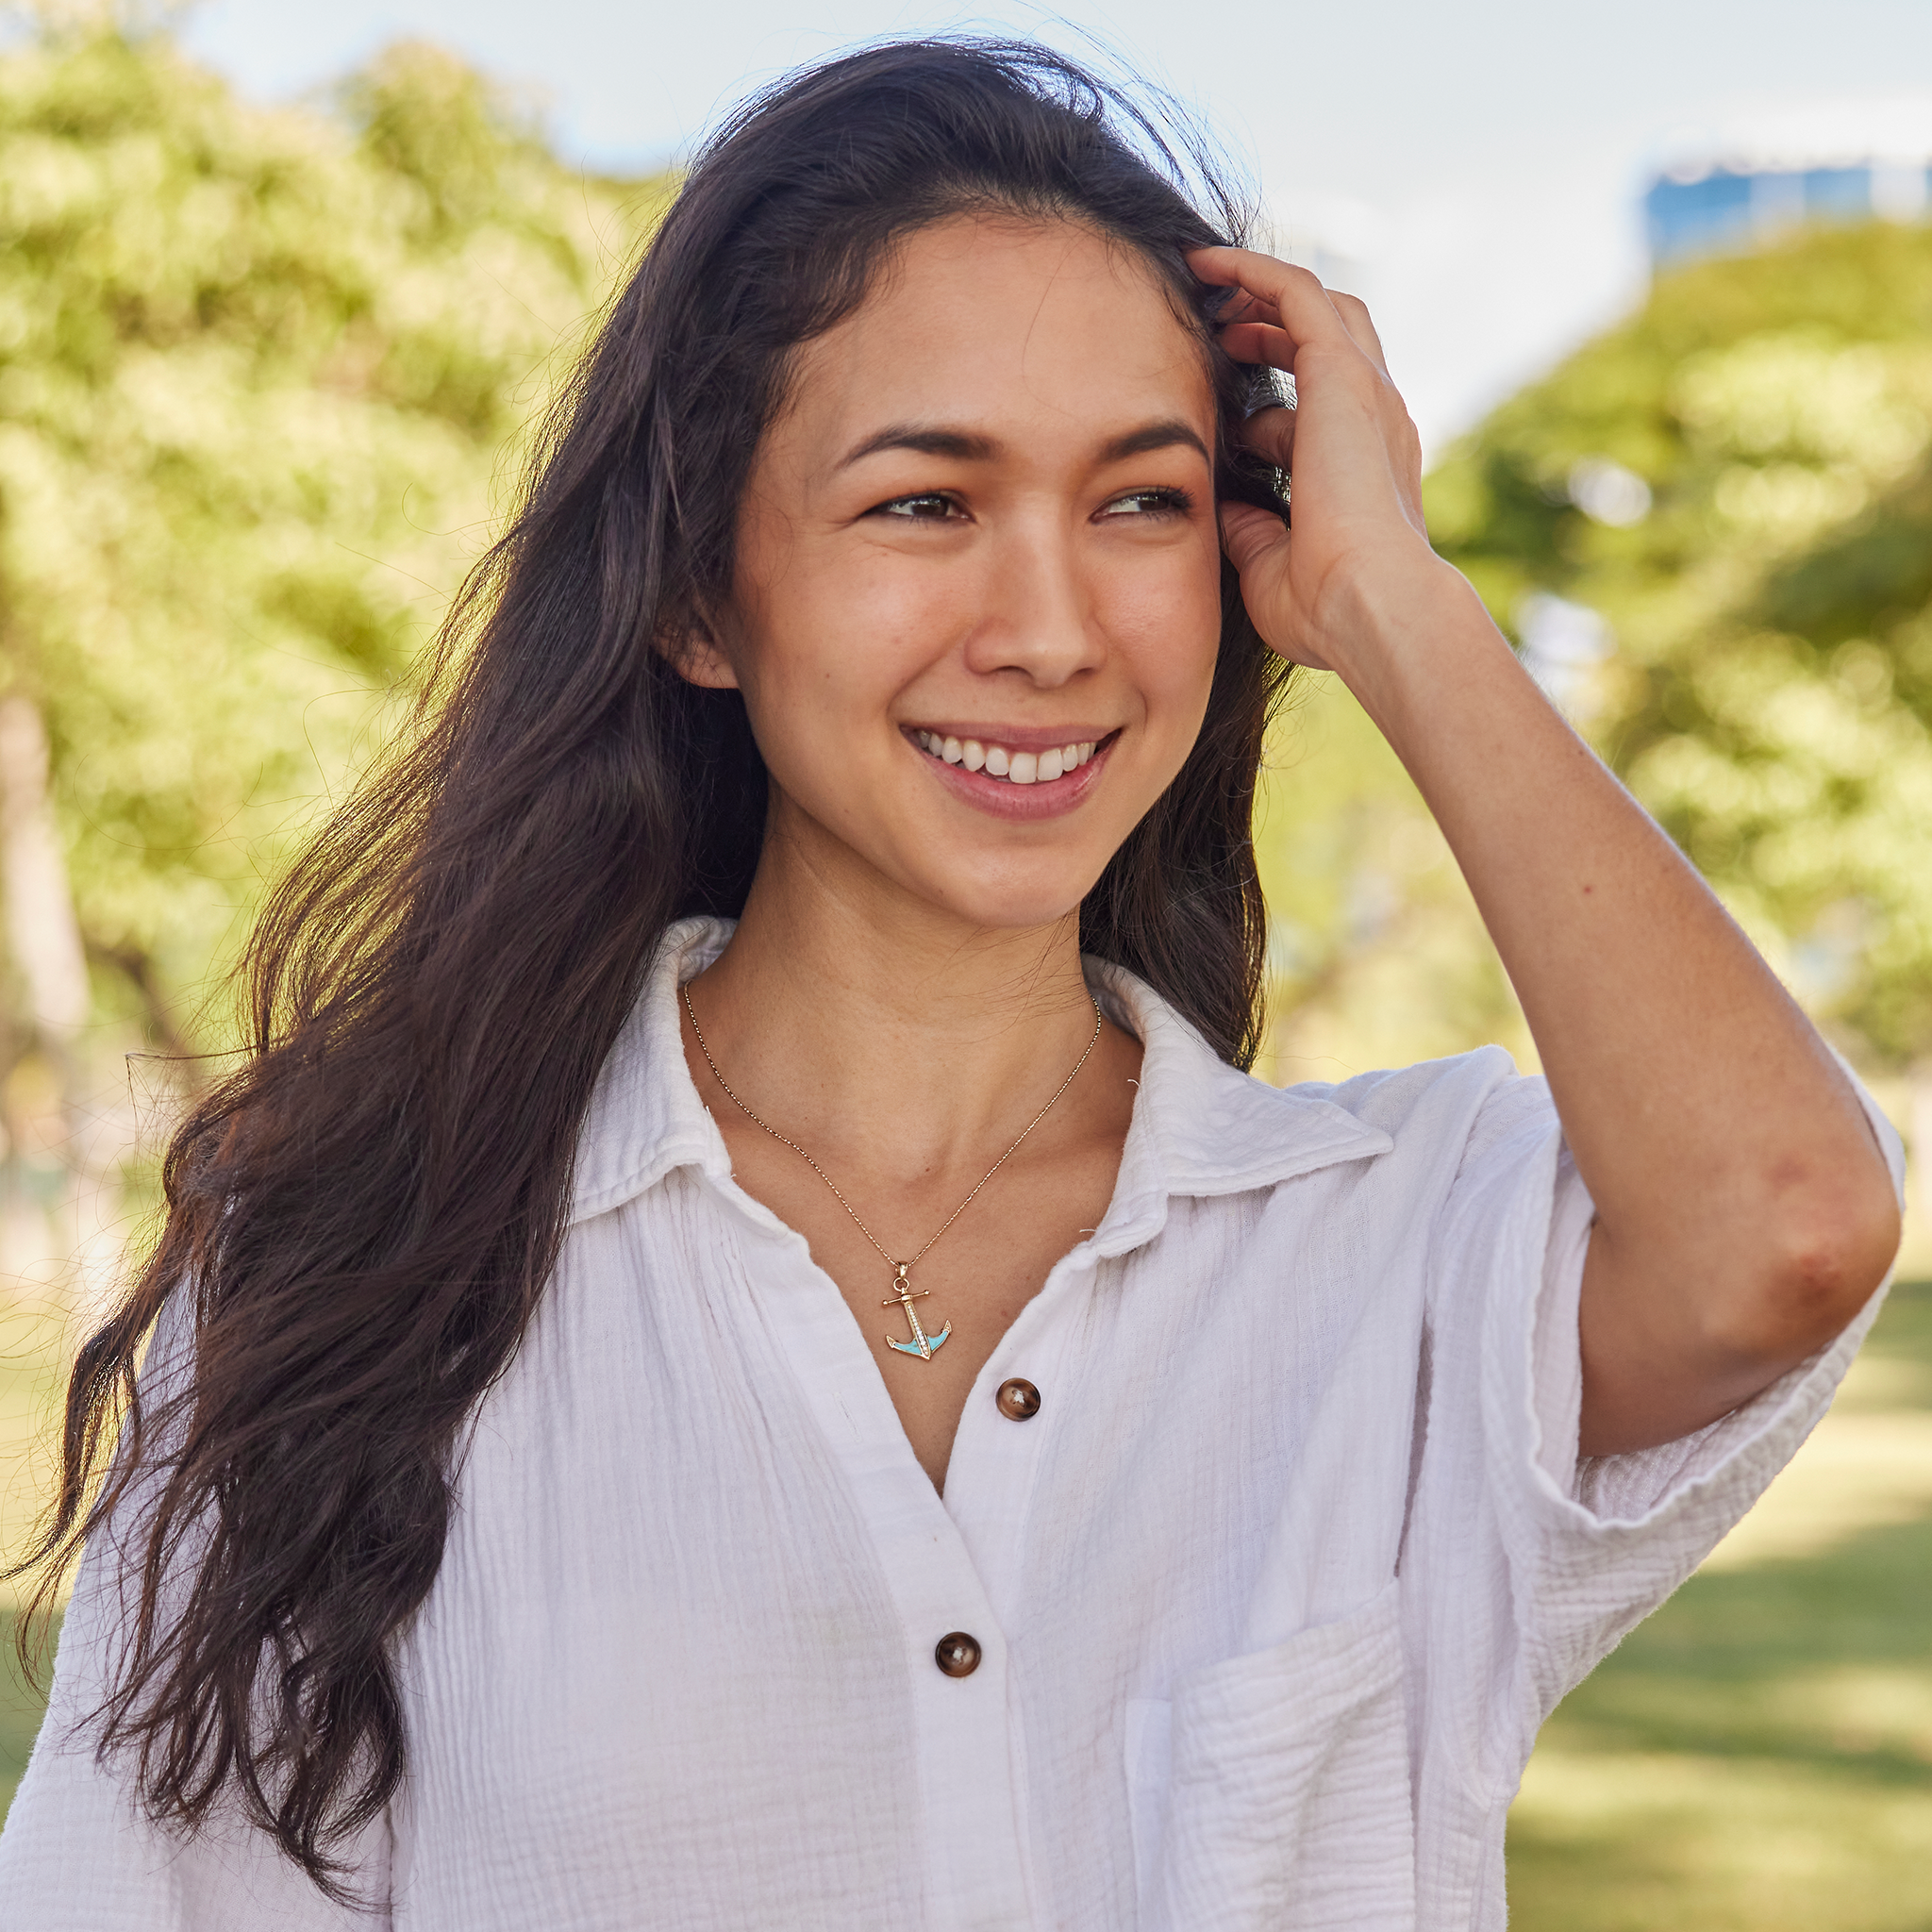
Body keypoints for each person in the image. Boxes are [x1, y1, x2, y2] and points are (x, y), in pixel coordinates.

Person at [0, 37, 1904, 1932]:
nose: (1054, 628)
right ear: (693, 595)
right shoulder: (347, 1270)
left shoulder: (1390, 1252)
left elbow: (1791, 1230)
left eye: (1141, 503)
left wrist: (1393, 599)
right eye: (926, 502)